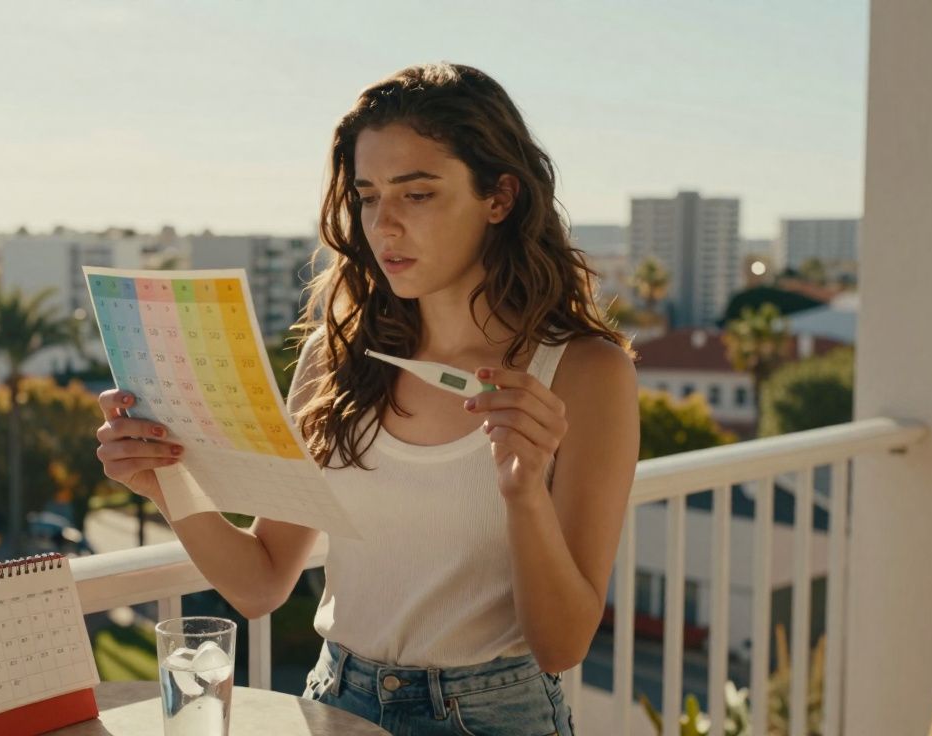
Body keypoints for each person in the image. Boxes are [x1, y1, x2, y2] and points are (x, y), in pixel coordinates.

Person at [96, 62, 639, 736]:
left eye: (417, 195)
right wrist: (164, 478)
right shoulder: (340, 356)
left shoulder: (586, 373)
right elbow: (261, 582)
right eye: (368, 194)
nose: (384, 225)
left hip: (494, 717)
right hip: (333, 702)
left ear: (499, 197)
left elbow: (563, 646)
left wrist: (525, 493)